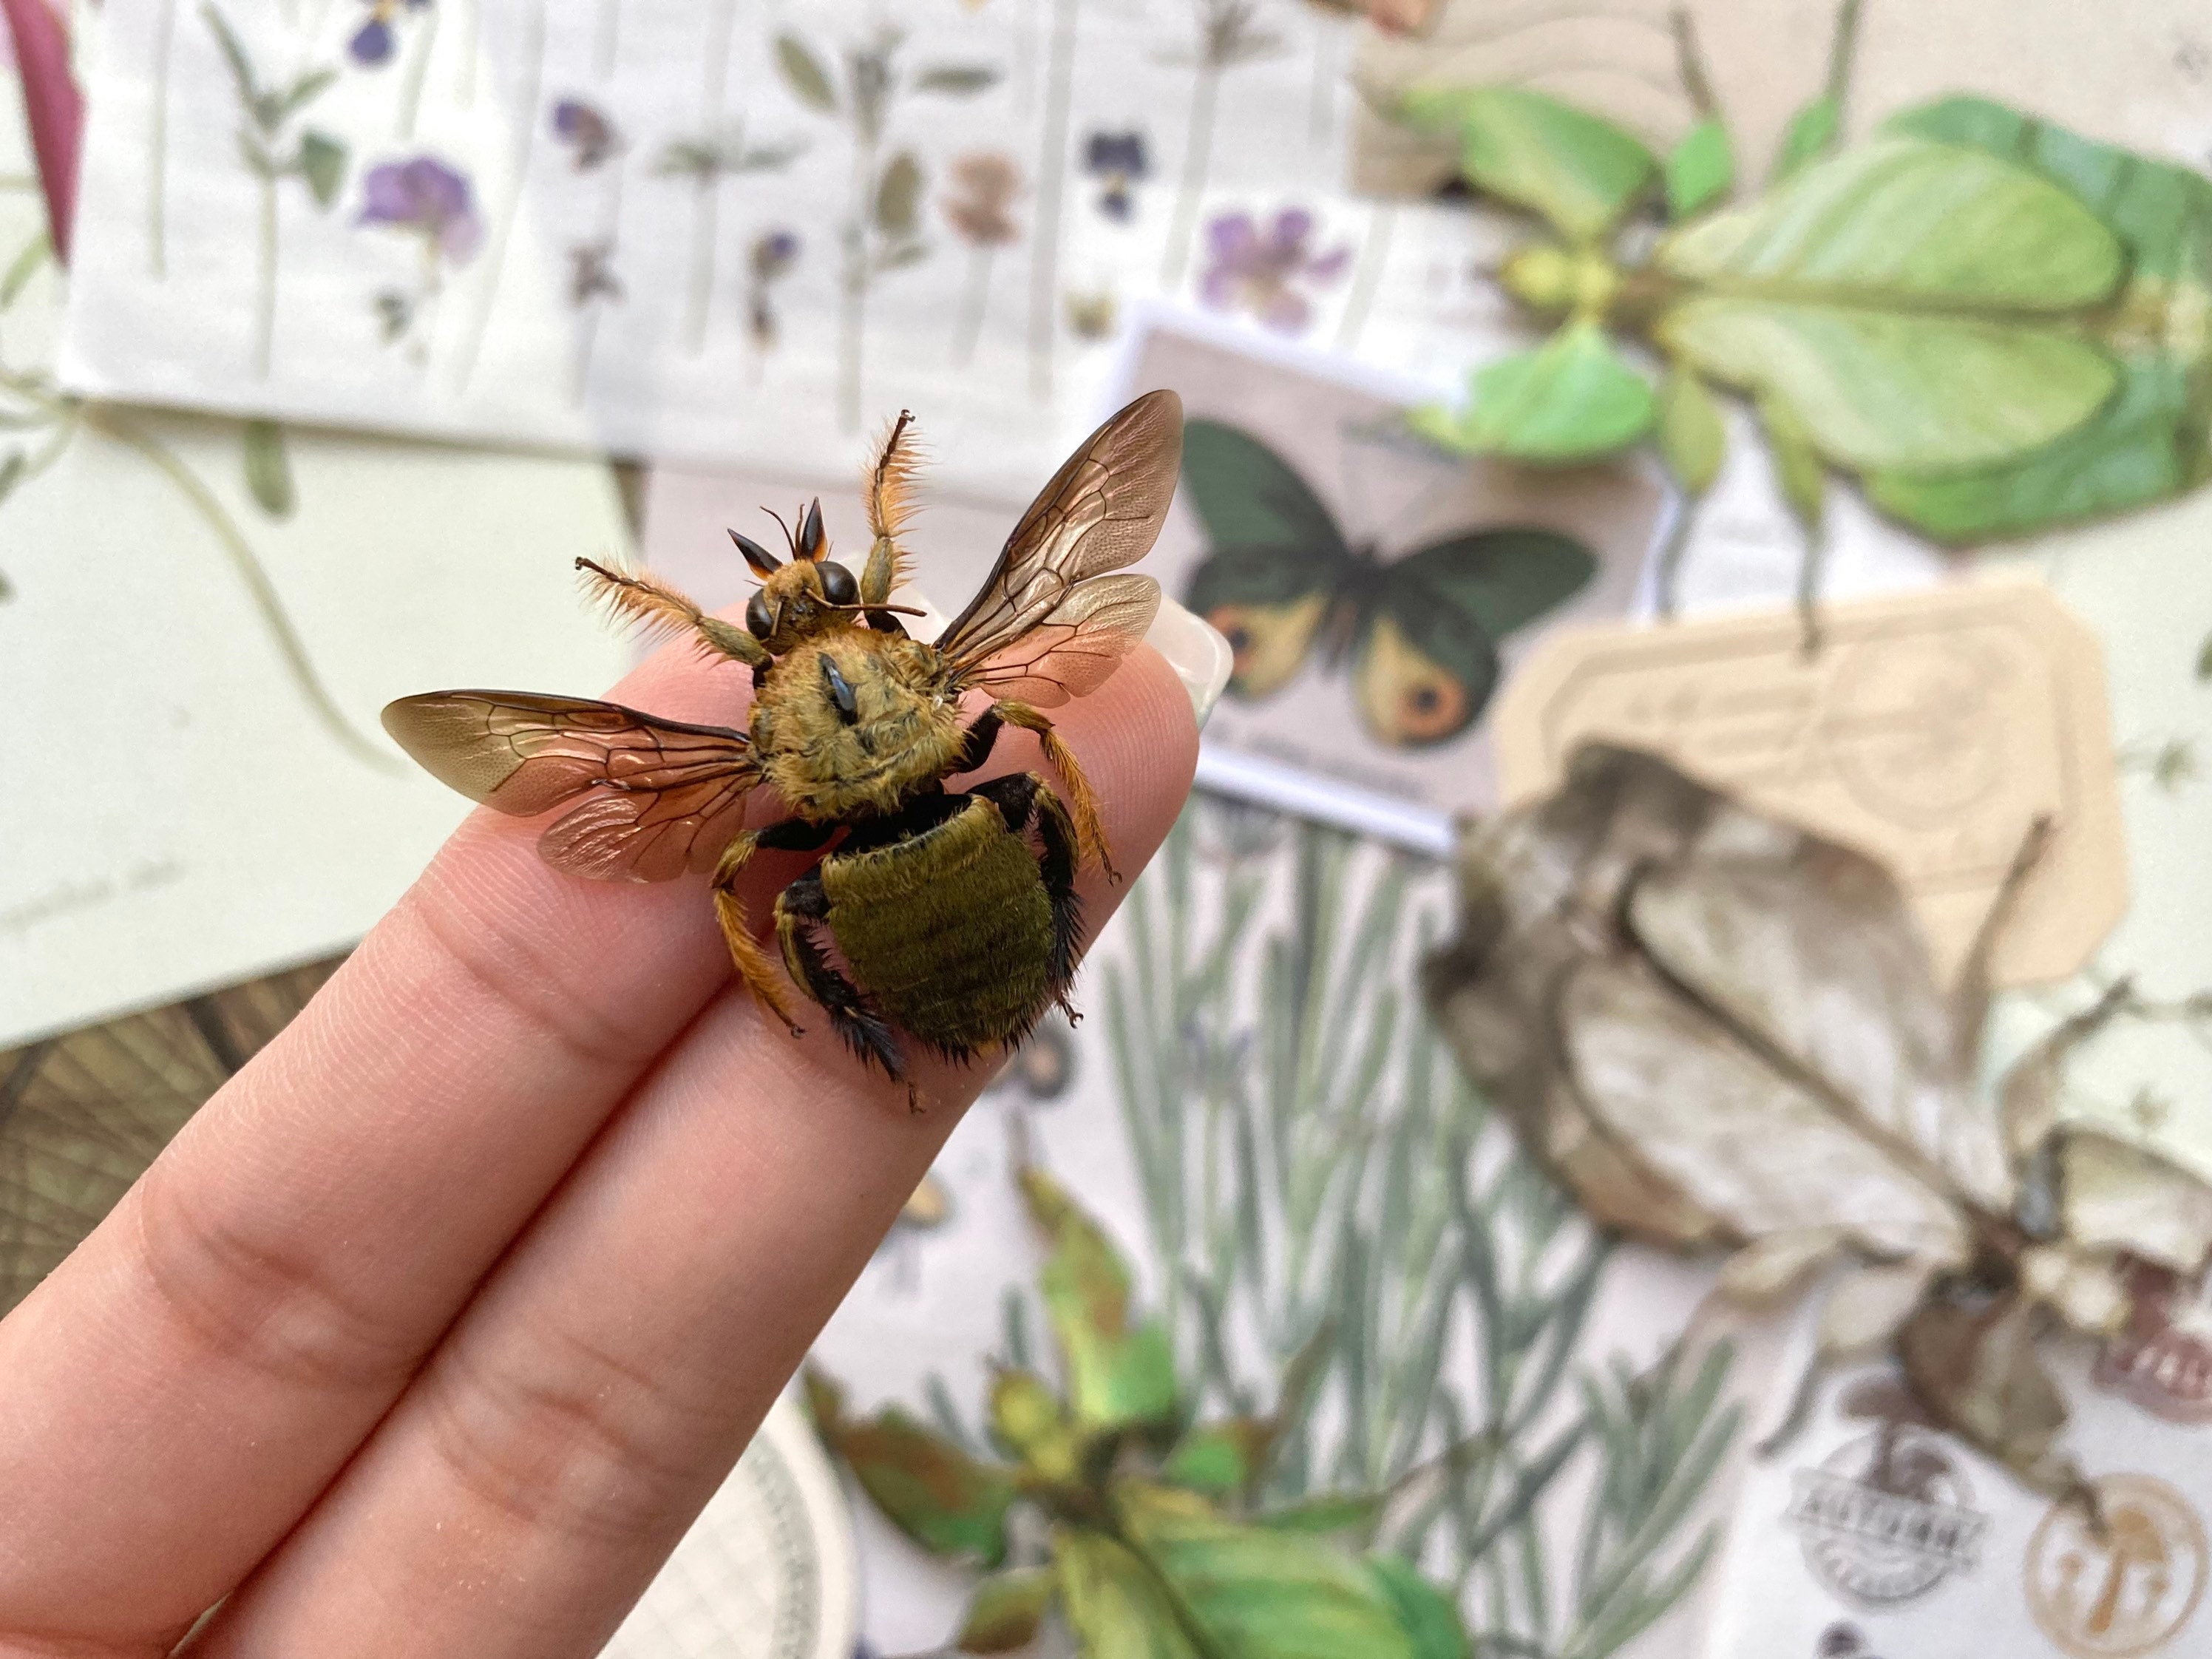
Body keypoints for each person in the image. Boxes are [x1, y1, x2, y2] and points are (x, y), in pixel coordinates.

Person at [0, 609, 1207, 1654]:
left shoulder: (748, 775)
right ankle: (990, 971)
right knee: (1030, 753)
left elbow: (731, 857)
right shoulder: (962, 707)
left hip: (871, 912)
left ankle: (861, 1033)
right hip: (972, 881)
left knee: (771, 884)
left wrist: (784, 988)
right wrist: (1078, 851)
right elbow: (1042, 730)